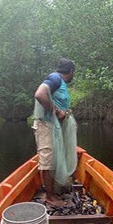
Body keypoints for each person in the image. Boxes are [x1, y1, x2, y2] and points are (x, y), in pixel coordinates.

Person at [32, 58, 78, 207]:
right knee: (48, 161)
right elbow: (40, 94)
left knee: (53, 159)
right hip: (46, 125)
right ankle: (50, 197)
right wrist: (56, 111)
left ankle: (54, 189)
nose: (73, 75)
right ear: (70, 71)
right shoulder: (55, 78)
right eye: (73, 73)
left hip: (53, 127)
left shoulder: (59, 82)